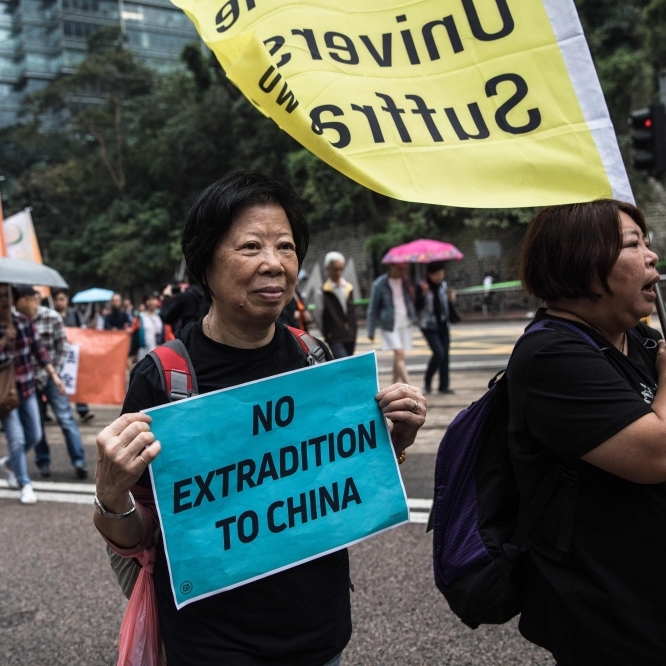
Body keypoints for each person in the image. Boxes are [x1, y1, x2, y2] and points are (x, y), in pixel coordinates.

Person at [92, 170, 427, 665]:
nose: (274, 264)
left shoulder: (315, 357)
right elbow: (137, 536)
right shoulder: (165, 379)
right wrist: (110, 493)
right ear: (205, 264)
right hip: (214, 646)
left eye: (286, 247)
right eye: (251, 247)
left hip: (320, 634)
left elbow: (339, 488)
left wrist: (391, 443)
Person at [509, 200, 666, 665]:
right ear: (581, 260)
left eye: (647, 242)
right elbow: (660, 453)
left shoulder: (640, 339)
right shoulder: (552, 355)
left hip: (655, 598)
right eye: (633, 244)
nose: (653, 256)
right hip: (604, 604)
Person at [0, 283, 64, 505]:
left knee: (34, 435)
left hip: (27, 387)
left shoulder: (24, 322)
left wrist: (54, 376)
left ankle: (10, 463)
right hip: (4, 390)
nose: (3, 300)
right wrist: (5, 340)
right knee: (16, 439)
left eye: (7, 296)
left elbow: (40, 351)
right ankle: (24, 483)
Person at [13, 285, 88, 480]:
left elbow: (62, 347)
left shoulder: (51, 317)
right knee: (35, 423)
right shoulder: (16, 322)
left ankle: (79, 461)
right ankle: (43, 463)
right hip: (28, 379)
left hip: (52, 376)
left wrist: (54, 373)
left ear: (30, 299)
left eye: (17, 299)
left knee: (65, 419)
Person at [367, 262, 416, 385]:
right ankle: (409, 387)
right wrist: (370, 330)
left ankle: (394, 384)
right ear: (392, 266)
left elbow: (411, 299)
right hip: (389, 324)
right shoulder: (379, 284)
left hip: (405, 321)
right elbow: (373, 308)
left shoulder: (406, 280)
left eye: (405, 269)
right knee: (399, 353)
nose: (402, 272)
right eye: (400, 268)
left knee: (398, 356)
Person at [415, 262, 460, 395]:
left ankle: (444, 385)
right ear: (430, 274)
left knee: (445, 355)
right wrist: (422, 294)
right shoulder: (422, 286)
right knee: (439, 353)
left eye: (442, 273)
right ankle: (427, 382)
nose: (440, 276)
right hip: (429, 326)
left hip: (443, 324)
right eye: (437, 274)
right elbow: (417, 306)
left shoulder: (444, 286)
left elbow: (446, 306)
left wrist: (451, 299)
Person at [52, 288, 95, 423]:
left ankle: (82, 409)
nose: (60, 303)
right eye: (57, 300)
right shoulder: (51, 316)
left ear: (67, 300)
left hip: (73, 356)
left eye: (62, 299)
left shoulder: (74, 314)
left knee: (76, 381)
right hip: (56, 355)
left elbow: (82, 332)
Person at [320, 251, 357, 359]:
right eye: (335, 269)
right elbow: (319, 315)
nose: (339, 272)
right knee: (343, 362)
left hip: (350, 334)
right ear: (328, 269)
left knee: (349, 363)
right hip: (335, 336)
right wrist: (328, 334)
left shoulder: (349, 287)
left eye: (341, 269)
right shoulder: (324, 290)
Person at [135, 290, 164, 361]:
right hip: (144, 351)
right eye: (148, 299)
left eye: (153, 299)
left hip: (160, 350)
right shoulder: (141, 316)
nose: (151, 302)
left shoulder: (162, 315)